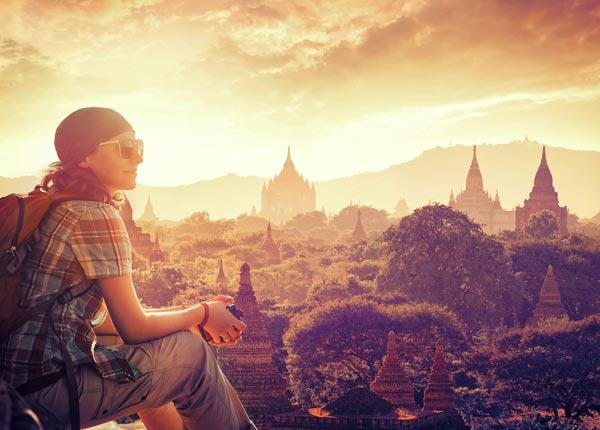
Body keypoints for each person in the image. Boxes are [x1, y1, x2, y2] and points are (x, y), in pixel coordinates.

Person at [0, 107, 256, 429]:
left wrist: (188, 314)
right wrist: (203, 313)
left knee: (158, 348)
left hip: (18, 384)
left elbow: (110, 321)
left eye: (140, 146)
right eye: (126, 147)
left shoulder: (56, 204)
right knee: (193, 355)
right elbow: (134, 327)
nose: (138, 158)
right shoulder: (96, 215)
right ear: (85, 158)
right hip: (47, 391)